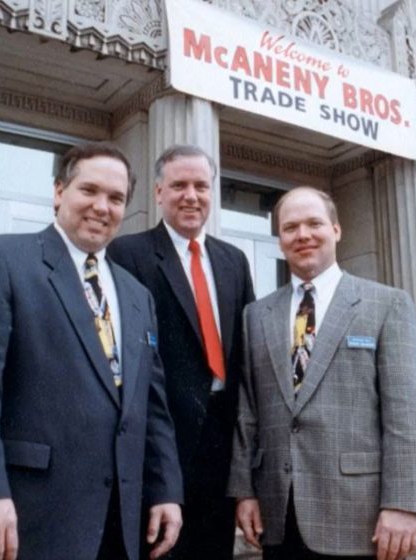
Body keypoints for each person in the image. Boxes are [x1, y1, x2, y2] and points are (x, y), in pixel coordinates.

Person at [0, 142, 183, 560]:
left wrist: (166, 490)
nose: (101, 207)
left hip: (117, 527)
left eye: (116, 198)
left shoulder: (137, 294)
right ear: (58, 192)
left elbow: (151, 406)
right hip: (20, 520)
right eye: (89, 190)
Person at [228, 186, 416, 560]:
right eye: (290, 228)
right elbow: (247, 413)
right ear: (279, 240)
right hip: (278, 517)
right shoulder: (256, 316)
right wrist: (244, 491)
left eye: (313, 223)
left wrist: (403, 503)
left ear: (336, 230)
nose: (302, 235)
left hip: (358, 517)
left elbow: (408, 416)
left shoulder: (386, 305)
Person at [108, 144, 255, 560]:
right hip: (160, 442)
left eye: (201, 186)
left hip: (221, 444)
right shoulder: (127, 254)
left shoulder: (234, 261)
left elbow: (244, 356)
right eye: (179, 186)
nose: (191, 195)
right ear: (158, 193)